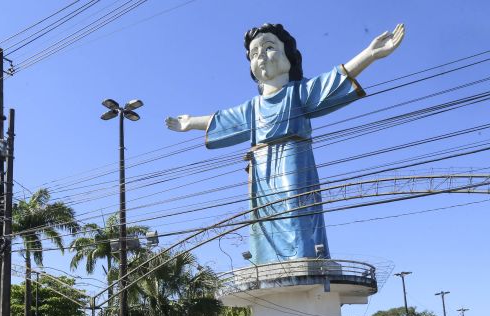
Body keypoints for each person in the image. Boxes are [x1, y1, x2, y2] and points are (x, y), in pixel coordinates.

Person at [166, 23, 404, 264]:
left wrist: (369, 55)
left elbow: (332, 81)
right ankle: (266, 262)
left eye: (269, 47)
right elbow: (225, 120)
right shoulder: (253, 108)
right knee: (261, 220)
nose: (261, 56)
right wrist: (192, 122)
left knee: (295, 209)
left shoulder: (298, 92)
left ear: (290, 56)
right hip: (259, 169)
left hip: (293, 158)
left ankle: (304, 257)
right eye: (254, 53)